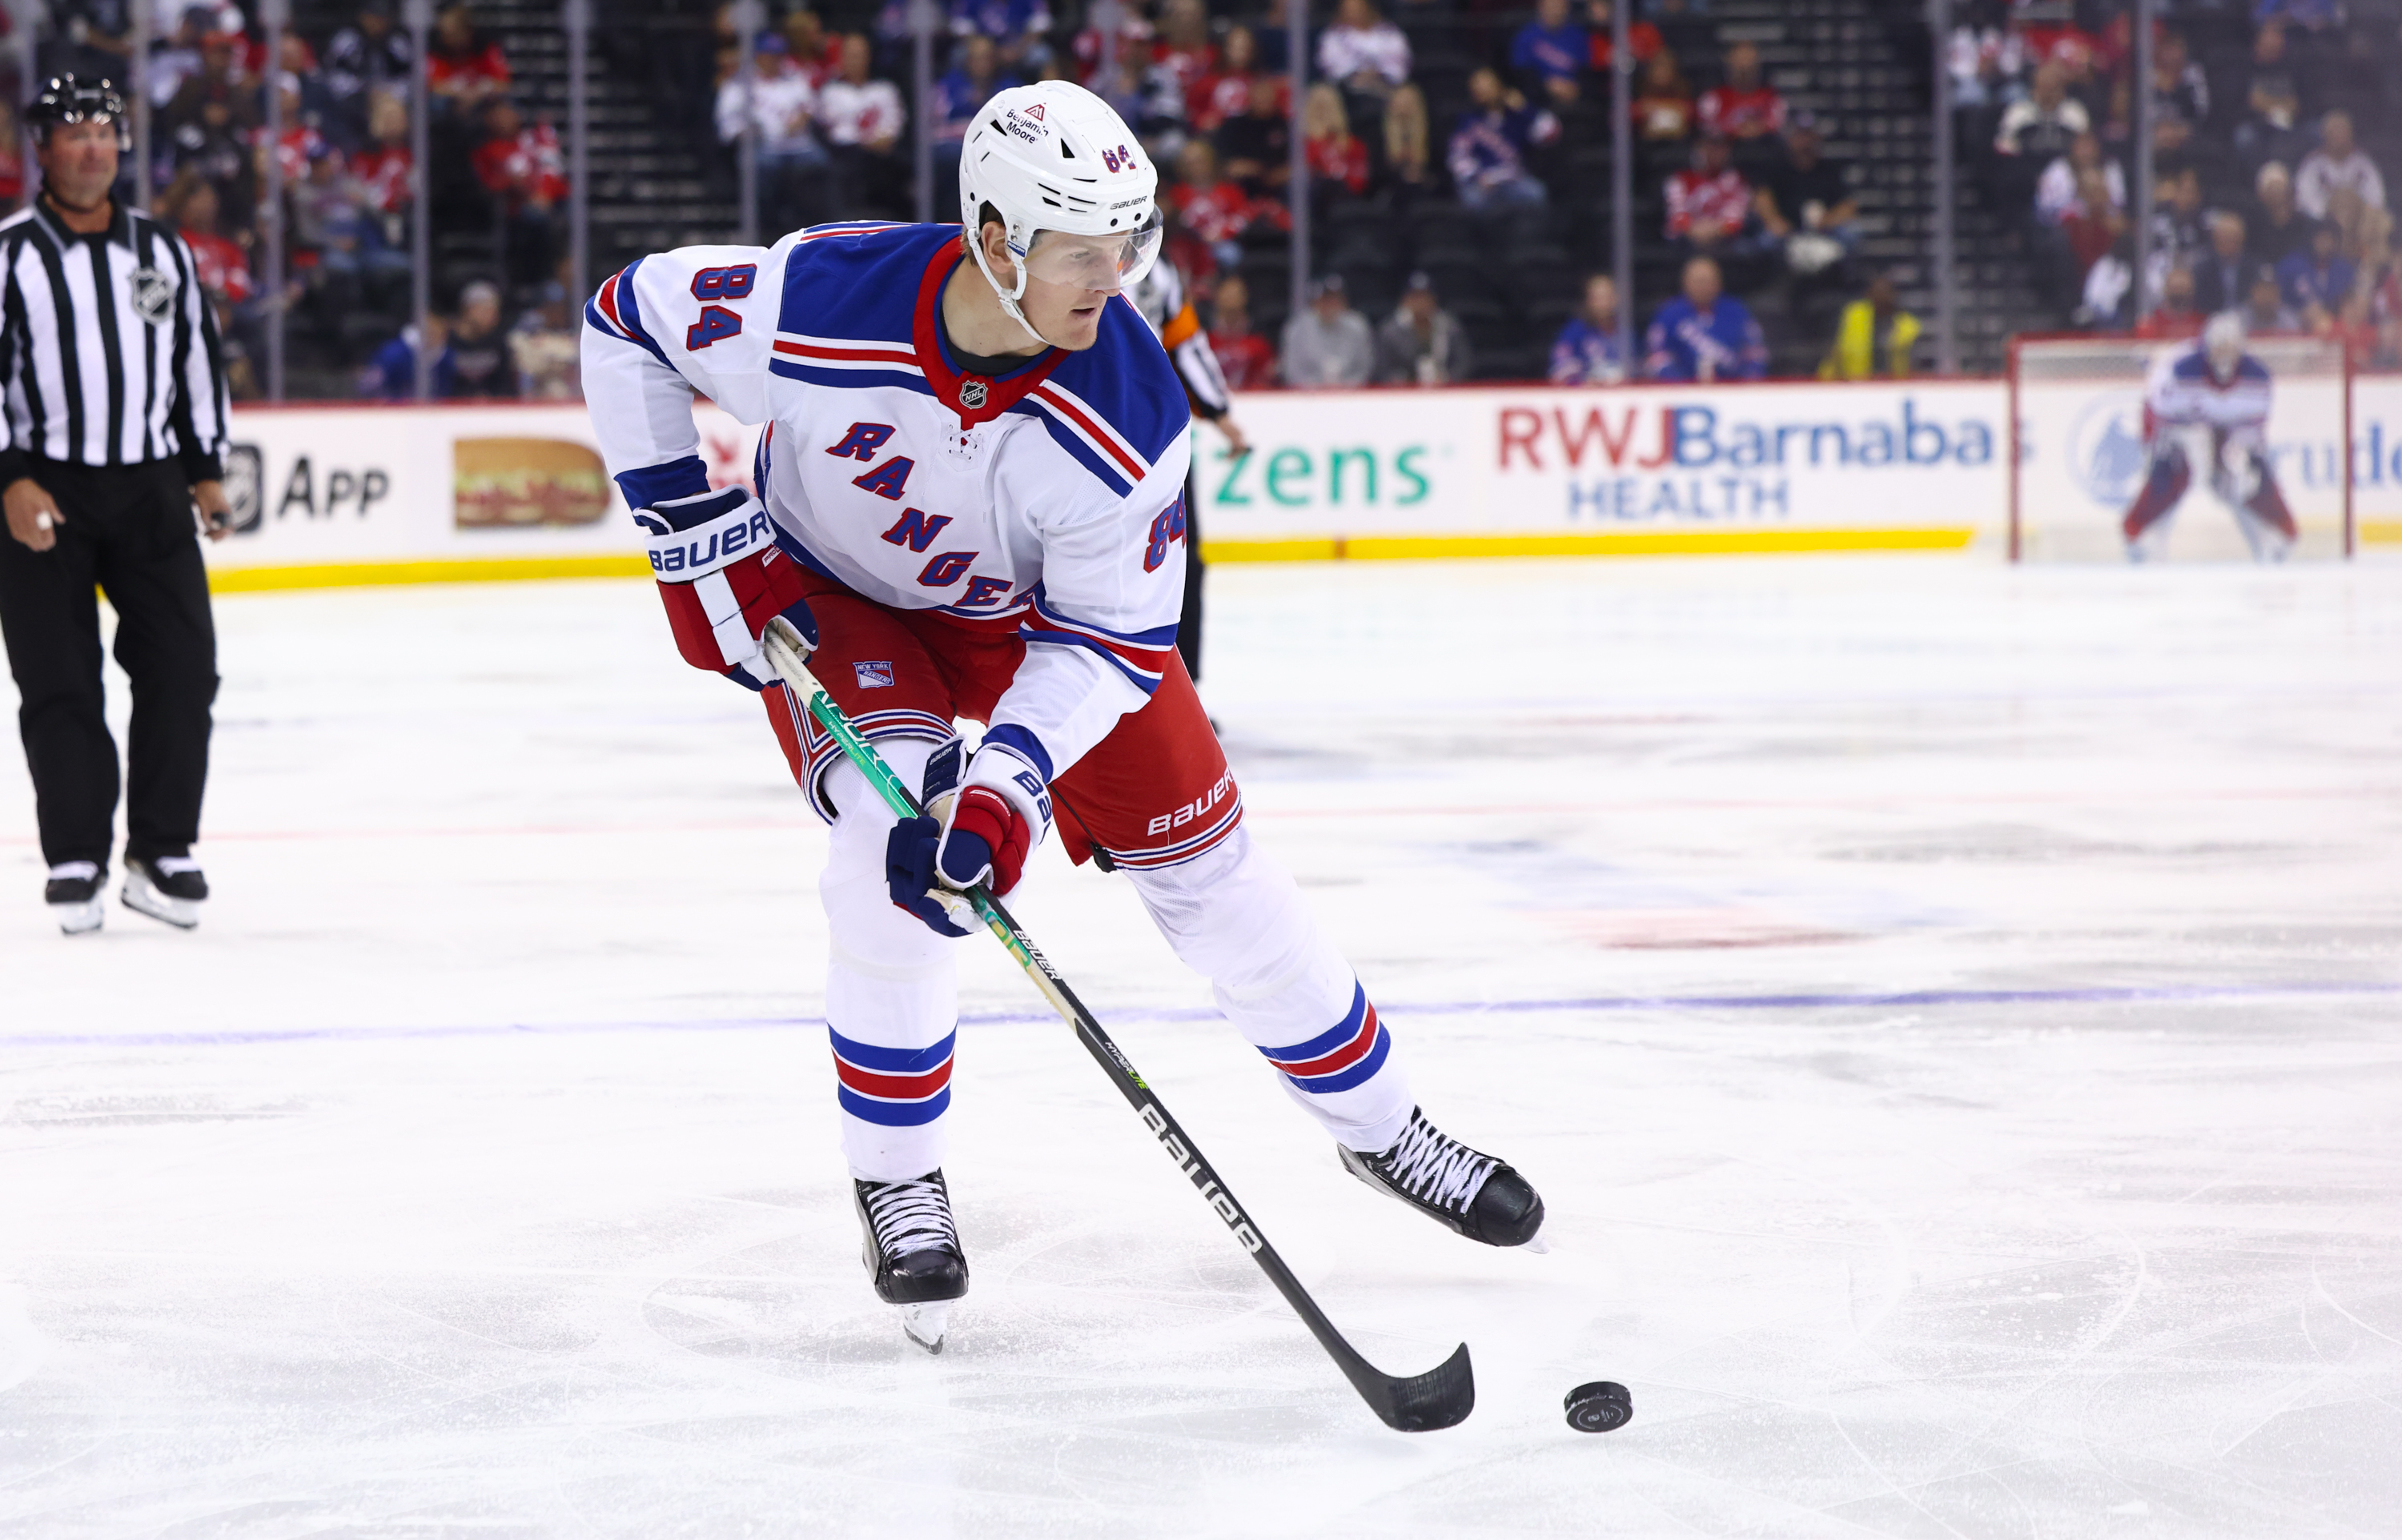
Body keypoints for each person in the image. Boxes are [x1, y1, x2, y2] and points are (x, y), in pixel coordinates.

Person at [579, 80, 1547, 1352]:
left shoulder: (1131, 408)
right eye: (1083, 251)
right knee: (888, 847)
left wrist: (1010, 790)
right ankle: (899, 1180)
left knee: (1217, 877)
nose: (1118, 277)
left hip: (1040, 624)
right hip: (841, 598)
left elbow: (1106, 642)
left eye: (1129, 243)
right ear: (992, 236)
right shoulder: (815, 303)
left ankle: (1387, 1133)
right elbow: (623, 321)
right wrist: (703, 544)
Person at [0, 78, 235, 934]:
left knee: (182, 667)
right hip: (43, 487)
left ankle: (162, 847)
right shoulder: (11, 253)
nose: (92, 147)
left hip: (148, 487)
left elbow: (195, 363)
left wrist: (207, 467)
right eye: (73, 133)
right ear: (43, 150)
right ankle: (76, 855)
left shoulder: (162, 251)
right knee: (59, 680)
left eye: (105, 131)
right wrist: (9, 477)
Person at [1128, 254, 1245, 682]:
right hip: (1139, 432)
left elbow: (1183, 343)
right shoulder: (1153, 268)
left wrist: (1219, 412)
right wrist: (1219, 412)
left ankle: (1181, 690)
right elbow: (1186, 346)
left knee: (1180, 559)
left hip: (1157, 435)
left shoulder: (1158, 269)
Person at [2120, 313, 2294, 562]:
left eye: (2230, 350)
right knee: (2171, 476)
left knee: (2240, 481)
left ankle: (2269, 539)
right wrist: (2164, 450)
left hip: (2226, 428)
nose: (2223, 357)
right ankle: (2146, 537)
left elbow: (2251, 436)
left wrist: (2234, 456)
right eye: (2218, 349)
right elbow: (2160, 415)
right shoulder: (2180, 372)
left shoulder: (2256, 379)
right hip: (2183, 425)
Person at [1753, 113, 1857, 276]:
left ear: (1817, 137)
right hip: (1788, 230)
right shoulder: (1778, 166)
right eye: (1800, 135)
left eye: (1809, 135)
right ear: (1790, 138)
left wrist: (1828, 220)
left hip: (1822, 229)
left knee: (1852, 234)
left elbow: (1848, 204)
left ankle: (1843, 280)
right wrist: (1774, 221)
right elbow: (1762, 197)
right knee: (1765, 241)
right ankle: (1770, 282)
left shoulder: (1828, 169)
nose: (1805, 141)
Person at [1447, 67, 1556, 212]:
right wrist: (1476, 177)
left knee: (1537, 193)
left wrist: (1525, 108)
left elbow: (1551, 133)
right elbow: (1457, 157)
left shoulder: (1518, 116)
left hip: (1514, 180)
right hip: (1482, 183)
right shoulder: (1468, 122)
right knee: (1472, 201)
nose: (1482, 89)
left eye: (1487, 84)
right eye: (1477, 86)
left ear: (1499, 86)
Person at [1643, 255, 1765, 381]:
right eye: (1698, 281)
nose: (1703, 287)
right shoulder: (1669, 314)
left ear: (1718, 283)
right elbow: (1657, 356)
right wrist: (1680, 385)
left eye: (1708, 281)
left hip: (1731, 390)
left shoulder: (1736, 311)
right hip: (1681, 389)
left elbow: (1755, 353)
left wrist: (1745, 384)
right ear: (1685, 282)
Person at [1374, 271, 1472, 386]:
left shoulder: (1449, 326)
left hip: (1444, 388)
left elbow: (1464, 361)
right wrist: (1403, 382)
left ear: (1434, 300)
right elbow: (1383, 369)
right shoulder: (1390, 330)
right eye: (1415, 297)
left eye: (1425, 297)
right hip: (1404, 392)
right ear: (1405, 300)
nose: (1420, 303)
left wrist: (1449, 379)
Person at [1665, 133, 1751, 260]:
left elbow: (1735, 220)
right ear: (1699, 148)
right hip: (1686, 240)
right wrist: (1694, 229)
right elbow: (1677, 216)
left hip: (1722, 241)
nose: (1715, 152)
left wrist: (1714, 230)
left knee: (1744, 247)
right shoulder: (1680, 179)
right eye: (1710, 147)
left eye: (1721, 148)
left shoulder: (1736, 180)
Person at [1818, 271, 1919, 379]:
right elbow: (1836, 350)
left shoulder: (1908, 325)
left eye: (1885, 292)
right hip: (1855, 381)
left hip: (1894, 384)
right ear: (1869, 294)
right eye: (1877, 292)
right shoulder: (1854, 315)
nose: (1881, 297)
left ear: (1894, 295)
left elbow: (1914, 362)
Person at [1281, 273, 1374, 386]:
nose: (1330, 305)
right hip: (1308, 397)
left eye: (1335, 299)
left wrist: (1346, 389)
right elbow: (1293, 371)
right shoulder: (1298, 328)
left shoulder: (1358, 326)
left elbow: (1364, 368)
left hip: (1351, 396)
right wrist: (1316, 391)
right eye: (1325, 300)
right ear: (1314, 302)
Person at [2294, 110, 2385, 222]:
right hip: (2323, 224)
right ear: (2325, 136)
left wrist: (2354, 210)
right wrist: (2330, 211)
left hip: (2358, 225)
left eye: (2342, 132)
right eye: (2334, 133)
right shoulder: (2312, 164)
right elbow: (2304, 200)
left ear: (2350, 135)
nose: (2338, 138)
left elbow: (2376, 199)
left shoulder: (2364, 164)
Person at [1697, 41, 1784, 142]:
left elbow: (1778, 123)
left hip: (1764, 148)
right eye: (1740, 61)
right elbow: (1706, 125)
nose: (1745, 66)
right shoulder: (1714, 98)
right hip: (1727, 148)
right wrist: (1736, 129)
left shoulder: (1770, 96)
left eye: (1749, 60)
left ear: (1757, 64)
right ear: (1729, 63)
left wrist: (1758, 128)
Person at [1548, 273, 1625, 384]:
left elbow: (1639, 369)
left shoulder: (1626, 332)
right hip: (1583, 396)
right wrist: (1585, 379)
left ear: (1615, 299)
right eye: (1597, 298)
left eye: (1607, 297)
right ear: (1589, 301)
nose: (1602, 304)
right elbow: (1558, 370)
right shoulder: (1574, 332)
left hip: (1619, 397)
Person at [1511, 0, 1590, 109]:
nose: (1555, 11)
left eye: (1560, 7)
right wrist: (1547, 86)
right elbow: (1521, 75)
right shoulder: (1525, 36)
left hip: (1574, 100)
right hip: (1538, 100)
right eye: (1551, 6)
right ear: (1541, 7)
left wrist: (1574, 87)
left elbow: (1586, 71)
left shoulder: (1578, 36)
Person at [1207, 274, 1278, 390]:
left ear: (1245, 298)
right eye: (1227, 294)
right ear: (1217, 297)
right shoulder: (1205, 340)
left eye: (1236, 295)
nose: (1231, 299)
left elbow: (1267, 381)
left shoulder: (1258, 344)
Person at [2192, 212, 2255, 315]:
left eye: (2233, 239)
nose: (2229, 243)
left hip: (2246, 321)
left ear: (2242, 239)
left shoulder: (2253, 268)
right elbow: (2200, 304)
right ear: (2215, 239)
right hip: (2211, 320)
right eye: (2224, 238)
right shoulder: (2202, 270)